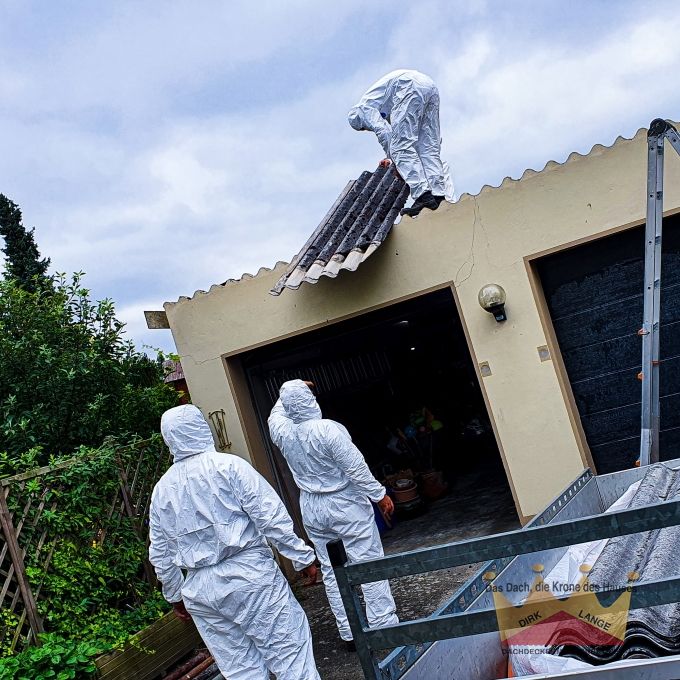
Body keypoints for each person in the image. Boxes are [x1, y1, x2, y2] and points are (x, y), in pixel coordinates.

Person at [149, 404, 321, 680]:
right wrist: (301, 557)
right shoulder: (229, 466)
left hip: (201, 590)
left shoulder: (162, 490)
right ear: (202, 428)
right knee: (290, 657)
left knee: (242, 671)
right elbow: (270, 516)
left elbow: (160, 551)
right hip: (250, 577)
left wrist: (175, 595)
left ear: (169, 438)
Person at [268, 379, 399, 647]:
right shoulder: (328, 430)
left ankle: (350, 632)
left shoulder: (283, 432)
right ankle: (383, 626)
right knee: (367, 563)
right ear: (311, 401)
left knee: (331, 568)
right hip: (345, 503)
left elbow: (276, 413)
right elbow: (355, 467)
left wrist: (289, 390)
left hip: (313, 508)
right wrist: (379, 494)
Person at [348, 69, 453, 217]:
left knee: (399, 148)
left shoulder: (363, 111)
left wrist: (394, 161)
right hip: (429, 86)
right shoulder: (386, 105)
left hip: (408, 86)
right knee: (428, 147)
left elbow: (384, 132)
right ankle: (438, 195)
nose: (366, 129)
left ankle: (423, 195)